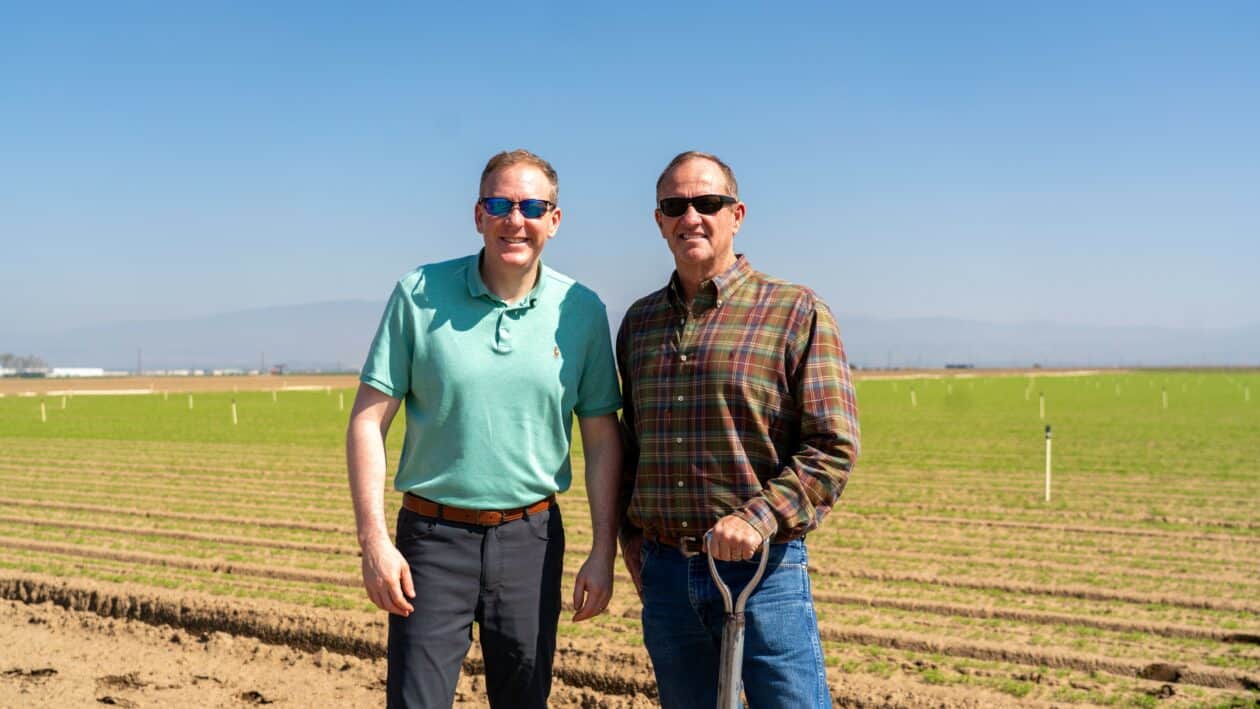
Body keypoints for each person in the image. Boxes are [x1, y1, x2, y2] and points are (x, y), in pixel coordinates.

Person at [347, 149, 623, 708]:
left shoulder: (582, 311)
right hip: (431, 541)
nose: (513, 219)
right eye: (498, 204)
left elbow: (600, 441)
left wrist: (603, 550)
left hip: (532, 542)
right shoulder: (418, 294)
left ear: (554, 220)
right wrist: (374, 542)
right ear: (478, 215)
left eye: (530, 206)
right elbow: (367, 422)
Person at [616, 151, 860, 708]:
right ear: (659, 221)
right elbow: (631, 449)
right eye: (674, 206)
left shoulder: (795, 311)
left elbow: (832, 446)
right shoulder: (639, 323)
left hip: (764, 574)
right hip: (668, 581)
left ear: (737, 214)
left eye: (707, 203)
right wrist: (633, 543)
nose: (691, 217)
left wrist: (756, 519)